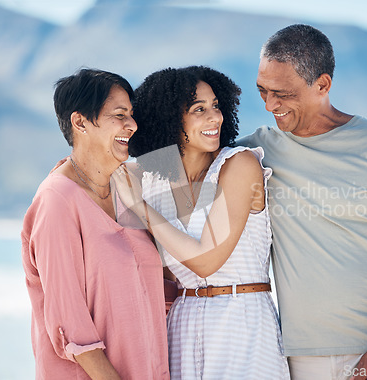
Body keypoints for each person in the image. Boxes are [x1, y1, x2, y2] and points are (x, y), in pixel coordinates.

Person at [238, 24, 367, 380]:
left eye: (282, 94)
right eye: (262, 92)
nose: (269, 106)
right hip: (303, 355)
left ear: (323, 85)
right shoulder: (253, 153)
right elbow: (173, 167)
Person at [117, 66, 290, 379]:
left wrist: (141, 208)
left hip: (242, 323)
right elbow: (101, 173)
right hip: (182, 325)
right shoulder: (157, 174)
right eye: (199, 110)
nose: (215, 118)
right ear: (169, 118)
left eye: (216, 106)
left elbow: (206, 260)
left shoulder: (239, 164)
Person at [21, 68, 169, 380]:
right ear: (80, 122)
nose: (132, 125)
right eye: (119, 114)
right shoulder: (57, 200)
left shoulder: (130, 179)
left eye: (131, 113)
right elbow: (72, 328)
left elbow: (201, 173)